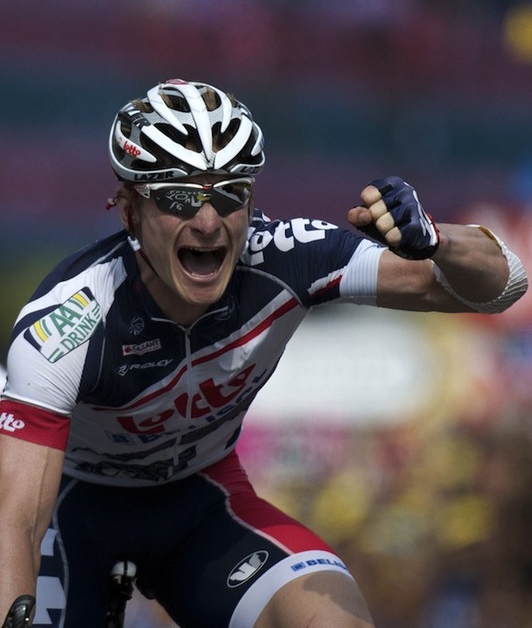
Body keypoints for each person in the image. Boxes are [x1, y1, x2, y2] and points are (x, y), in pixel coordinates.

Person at [0, 78, 527, 628]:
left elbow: (505, 285)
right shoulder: (69, 321)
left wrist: (437, 241)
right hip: (70, 512)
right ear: (129, 211)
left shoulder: (288, 258)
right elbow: (15, 520)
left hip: (199, 503)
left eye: (230, 194)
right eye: (179, 197)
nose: (207, 222)